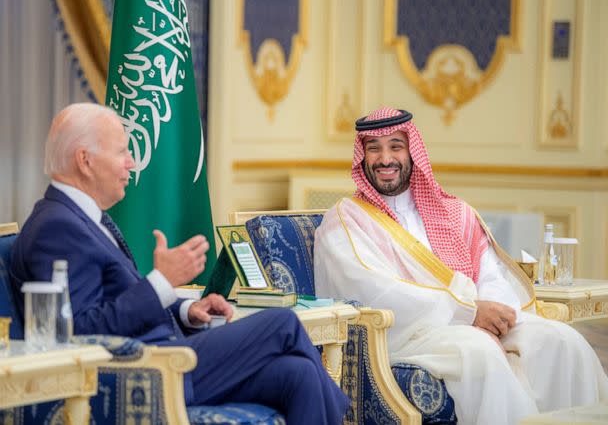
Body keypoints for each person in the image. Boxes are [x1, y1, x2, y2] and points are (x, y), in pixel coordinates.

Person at [10, 103, 349, 424]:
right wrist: (161, 281)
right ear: (85, 160)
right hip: (147, 371)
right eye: (122, 152)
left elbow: (117, 300)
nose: (132, 163)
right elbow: (79, 329)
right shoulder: (56, 226)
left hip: (170, 355)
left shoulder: (84, 217)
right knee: (282, 323)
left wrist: (187, 308)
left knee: (299, 375)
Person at [314, 106, 608, 425]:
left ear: (413, 151)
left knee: (561, 341)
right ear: (362, 157)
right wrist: (468, 313)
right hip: (407, 332)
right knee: (479, 351)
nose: (385, 159)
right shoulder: (347, 219)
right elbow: (374, 291)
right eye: (374, 149)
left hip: (464, 320)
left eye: (396, 146)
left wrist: (493, 317)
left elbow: (490, 273)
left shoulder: (454, 212)